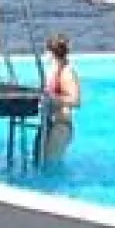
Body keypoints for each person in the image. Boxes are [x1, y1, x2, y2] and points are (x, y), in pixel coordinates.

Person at [40, 33, 81, 166]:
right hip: (48, 123)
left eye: (45, 51)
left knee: (50, 163)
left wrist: (53, 99)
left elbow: (76, 100)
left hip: (61, 126)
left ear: (51, 53)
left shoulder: (66, 72)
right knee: (40, 161)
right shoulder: (51, 71)